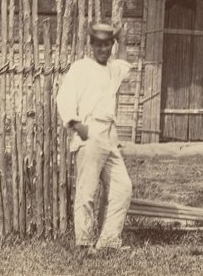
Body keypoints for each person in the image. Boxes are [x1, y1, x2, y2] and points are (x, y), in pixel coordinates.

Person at [55, 21, 133, 255]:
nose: (102, 49)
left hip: (110, 133)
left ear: (112, 46)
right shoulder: (81, 68)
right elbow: (63, 98)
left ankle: (108, 241)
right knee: (87, 190)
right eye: (98, 45)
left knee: (122, 187)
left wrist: (122, 37)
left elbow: (126, 67)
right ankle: (84, 243)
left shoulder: (112, 69)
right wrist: (77, 125)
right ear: (91, 45)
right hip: (90, 131)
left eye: (107, 44)